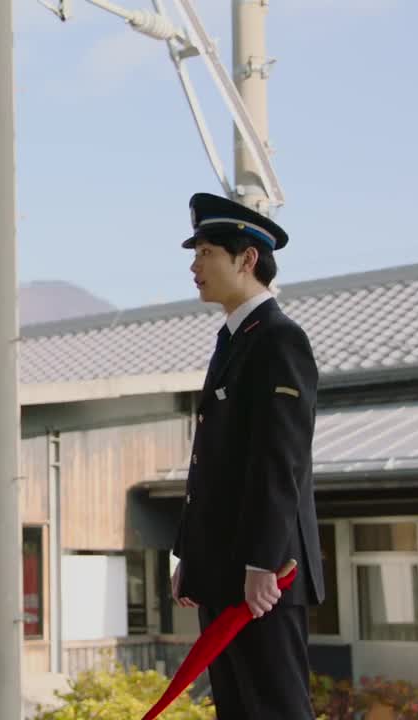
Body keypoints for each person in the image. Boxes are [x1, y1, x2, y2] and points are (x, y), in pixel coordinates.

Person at [170, 192, 325, 719]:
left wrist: (262, 563)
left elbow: (280, 460)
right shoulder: (233, 339)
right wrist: (190, 556)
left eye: (206, 252)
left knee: (276, 710)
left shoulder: (279, 339)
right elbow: (211, 465)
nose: (194, 266)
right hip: (224, 568)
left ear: (247, 259)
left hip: (264, 576)